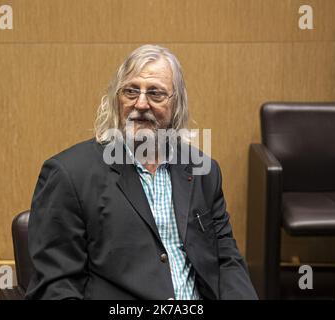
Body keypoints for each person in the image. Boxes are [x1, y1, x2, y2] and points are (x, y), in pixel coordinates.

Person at [25, 44, 257, 300]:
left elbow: (226, 259)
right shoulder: (69, 175)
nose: (141, 103)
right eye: (131, 91)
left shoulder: (204, 171)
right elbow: (55, 286)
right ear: (116, 98)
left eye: (156, 93)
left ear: (176, 104)